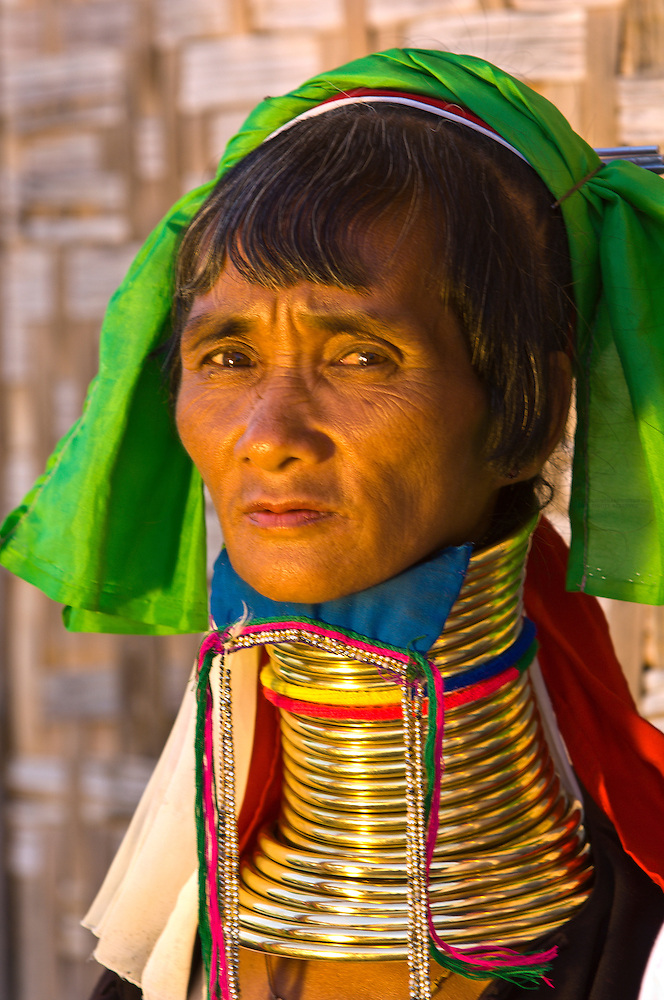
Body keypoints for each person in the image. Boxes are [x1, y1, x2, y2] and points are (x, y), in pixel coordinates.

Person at [2, 48, 664, 1000]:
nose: (267, 437)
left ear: (531, 402)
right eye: (226, 356)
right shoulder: (177, 942)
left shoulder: (641, 955)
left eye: (359, 355)